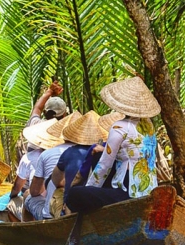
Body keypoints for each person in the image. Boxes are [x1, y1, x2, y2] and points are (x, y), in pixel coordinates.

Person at [66, 77, 160, 214]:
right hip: (149, 190)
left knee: (74, 194)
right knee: (99, 154)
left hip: (128, 193)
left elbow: (104, 165)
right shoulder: (149, 127)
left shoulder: (120, 126)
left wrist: (90, 189)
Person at [49, 110, 106, 217]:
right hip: (99, 203)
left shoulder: (69, 152)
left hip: (75, 205)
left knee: (57, 194)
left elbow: (56, 181)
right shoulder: (108, 151)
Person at [23, 113, 79, 220]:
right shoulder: (91, 152)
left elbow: (34, 192)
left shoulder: (47, 154)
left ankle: (25, 230)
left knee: (27, 195)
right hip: (77, 210)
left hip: (50, 215)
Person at [6, 118, 61, 221]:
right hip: (61, 205)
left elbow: (20, 187)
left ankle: (26, 227)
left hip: (47, 210)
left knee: (26, 195)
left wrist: (11, 197)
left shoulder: (33, 157)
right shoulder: (67, 152)